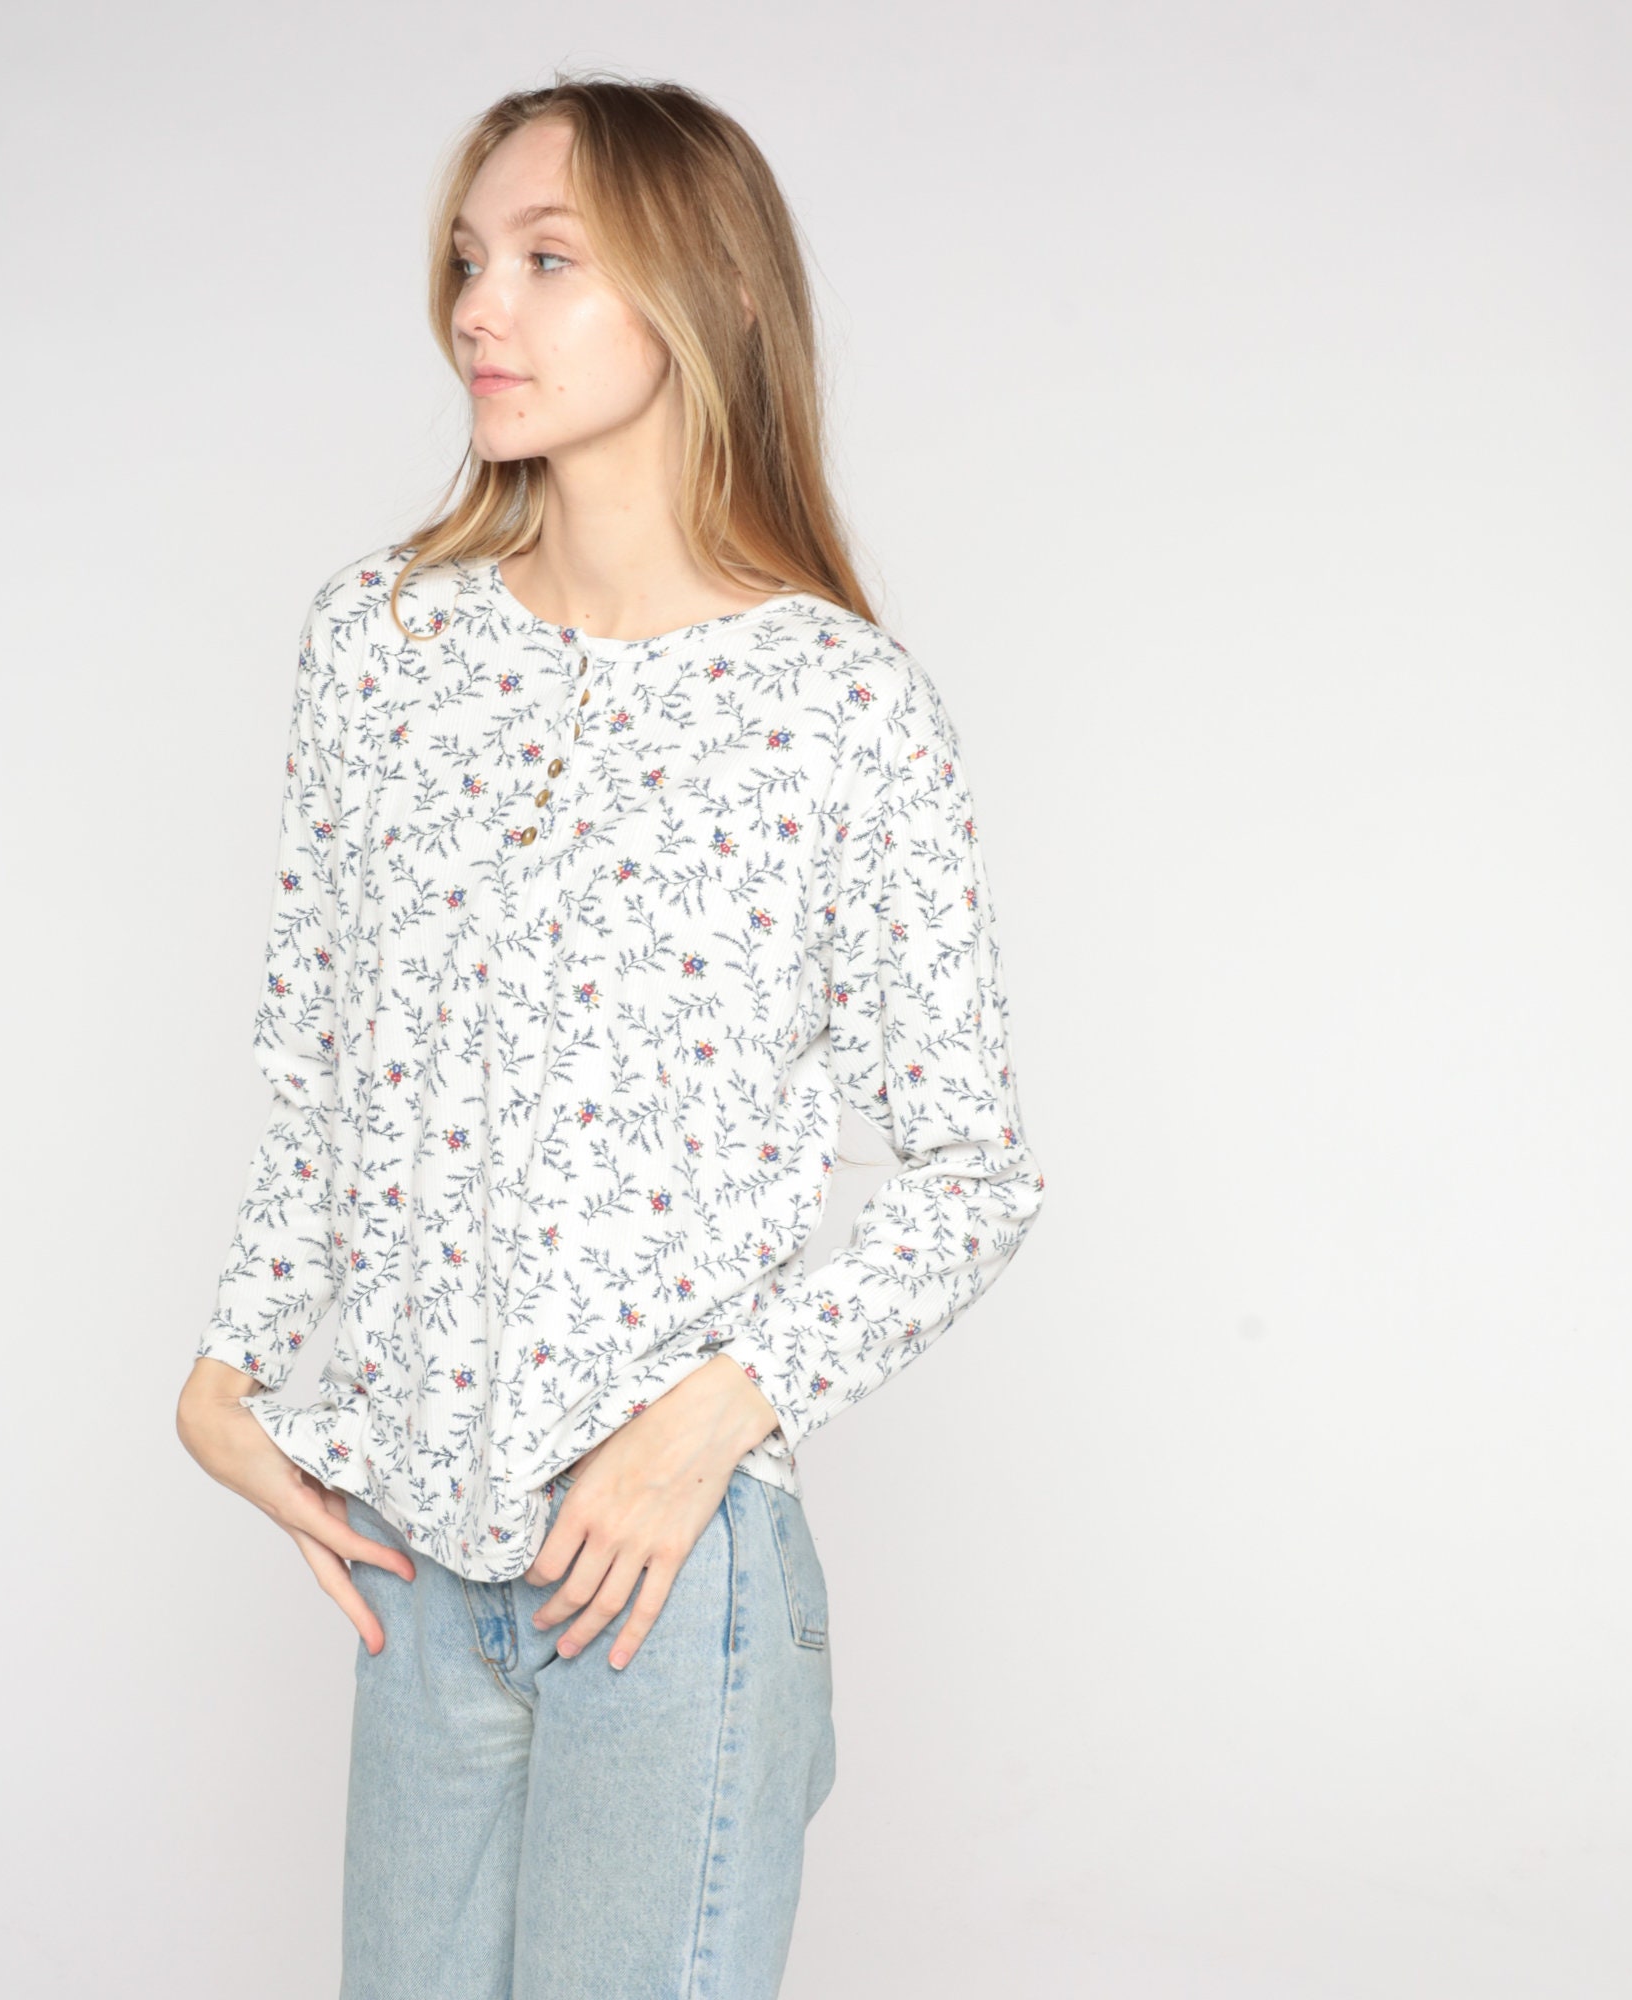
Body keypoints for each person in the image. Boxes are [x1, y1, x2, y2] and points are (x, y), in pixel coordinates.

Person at [175, 70, 1046, 2000]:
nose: (477, 309)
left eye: (546, 261)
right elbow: (326, 1063)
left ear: (699, 294)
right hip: (419, 1566)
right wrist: (231, 1363)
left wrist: (710, 1420)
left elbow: (973, 1174)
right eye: (467, 261)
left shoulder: (840, 709)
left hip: (661, 1579)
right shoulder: (383, 647)